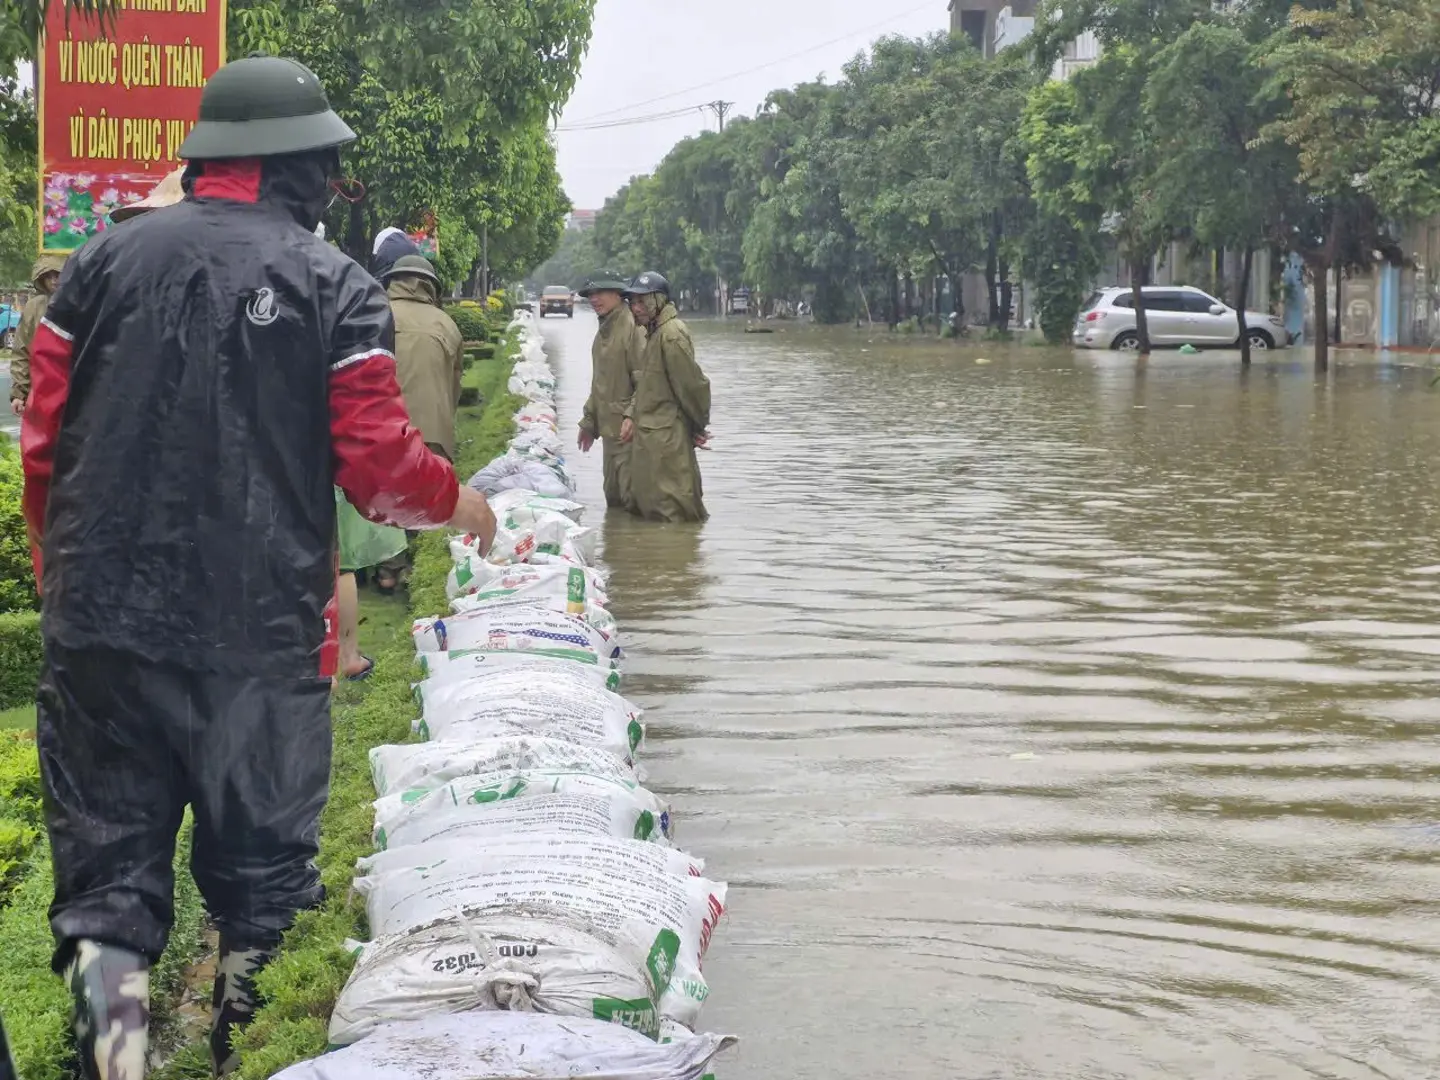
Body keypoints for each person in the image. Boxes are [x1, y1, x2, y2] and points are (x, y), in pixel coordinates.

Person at [19, 54, 495, 1080]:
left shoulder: (100, 267)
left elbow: (44, 446)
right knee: (262, 880)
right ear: (299, 169)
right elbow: (379, 471)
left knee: (109, 885)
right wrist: (455, 498)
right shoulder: (333, 285)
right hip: (259, 640)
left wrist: (60, 577)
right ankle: (243, 1056)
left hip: (100, 635)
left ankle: (119, 1062)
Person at [622, 271, 712, 523]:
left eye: (643, 301)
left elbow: (692, 386)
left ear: (659, 301)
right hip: (653, 442)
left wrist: (698, 425)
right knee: (652, 514)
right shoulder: (653, 333)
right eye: (633, 302)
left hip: (668, 444)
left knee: (674, 513)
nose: (636, 308)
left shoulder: (671, 334)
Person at [577, 271, 643, 510]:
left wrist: (631, 415)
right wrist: (588, 422)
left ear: (617, 294)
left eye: (600, 293)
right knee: (613, 498)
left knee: (631, 500)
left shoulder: (634, 328)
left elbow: (646, 382)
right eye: (590, 295)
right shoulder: (603, 333)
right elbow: (600, 385)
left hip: (631, 436)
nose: (594, 299)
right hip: (609, 433)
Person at [8, 253, 66, 417]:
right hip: (42, 388)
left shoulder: (84, 303)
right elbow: (22, 350)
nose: (54, 280)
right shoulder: (34, 307)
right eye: (48, 276)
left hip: (77, 389)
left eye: (58, 274)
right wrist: (20, 393)